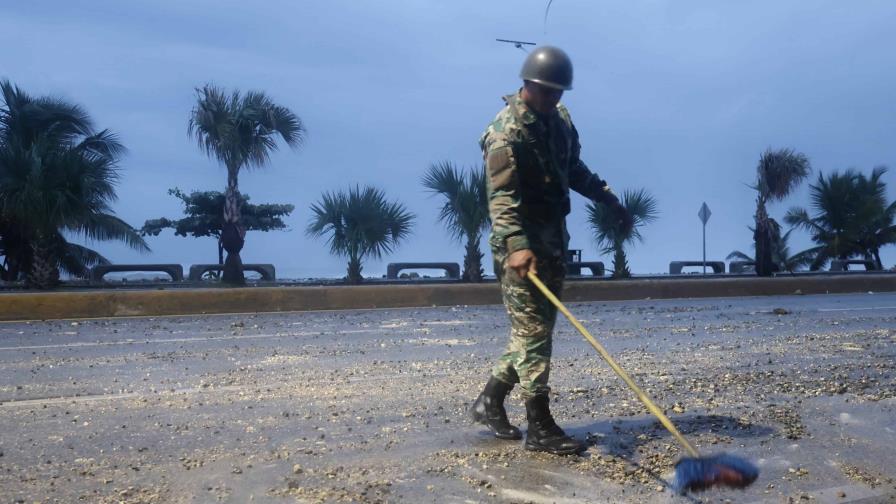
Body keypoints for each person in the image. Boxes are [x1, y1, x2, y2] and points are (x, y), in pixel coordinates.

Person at [470, 46, 632, 455]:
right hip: (518, 249)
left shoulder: (559, 121)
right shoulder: (504, 134)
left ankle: (490, 400)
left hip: (553, 242)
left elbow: (572, 168)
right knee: (534, 333)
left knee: (534, 332)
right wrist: (517, 247)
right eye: (544, 92)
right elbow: (501, 198)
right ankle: (540, 425)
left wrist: (608, 198)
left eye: (558, 93)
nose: (551, 100)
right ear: (527, 84)